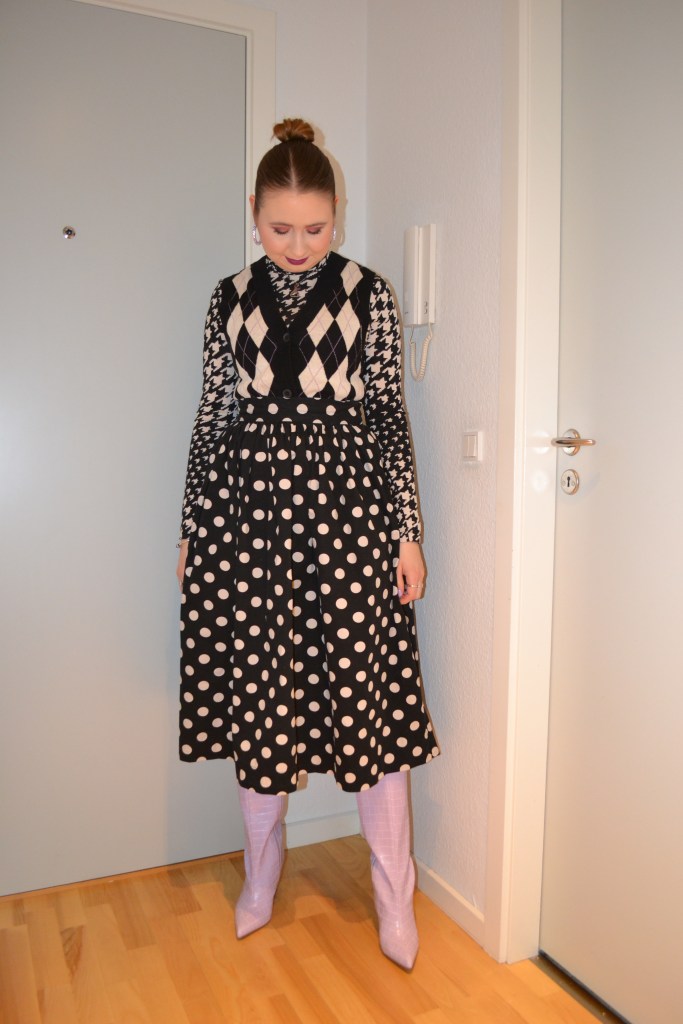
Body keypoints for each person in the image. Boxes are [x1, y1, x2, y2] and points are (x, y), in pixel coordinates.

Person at [176, 118, 439, 970]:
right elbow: (213, 415)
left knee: (369, 703)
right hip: (247, 525)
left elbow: (388, 419)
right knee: (262, 698)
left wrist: (406, 533)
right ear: (254, 212)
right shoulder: (227, 298)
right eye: (280, 228)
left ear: (338, 216)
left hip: (349, 521)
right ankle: (260, 876)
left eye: (315, 228)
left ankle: (392, 893)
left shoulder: (369, 294)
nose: (297, 246)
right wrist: (191, 527)